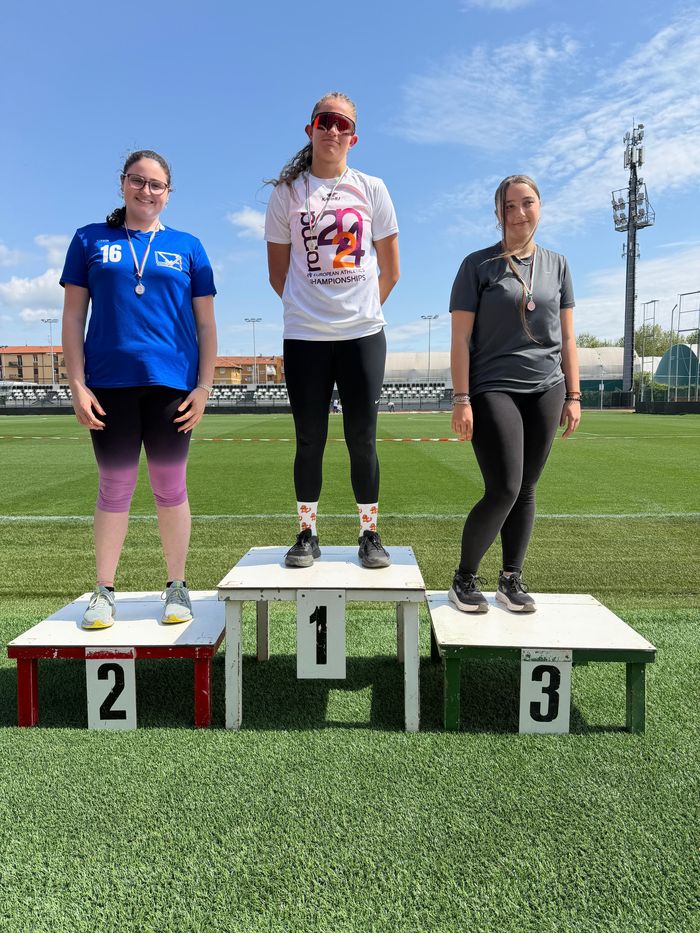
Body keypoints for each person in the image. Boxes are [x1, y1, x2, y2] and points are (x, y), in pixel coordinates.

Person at [60, 149, 217, 629]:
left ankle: (177, 586)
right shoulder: (89, 239)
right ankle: (104, 590)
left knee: (171, 487)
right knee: (114, 488)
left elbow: (206, 325)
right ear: (122, 183)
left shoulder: (189, 246)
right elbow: (73, 317)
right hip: (108, 384)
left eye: (156, 184)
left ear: (168, 193)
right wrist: (77, 383)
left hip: (173, 385)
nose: (146, 191)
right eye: (137, 180)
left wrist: (205, 386)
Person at [265, 92, 400, 569]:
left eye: (343, 124)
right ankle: (307, 533)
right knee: (309, 439)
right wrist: (314, 310)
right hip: (305, 337)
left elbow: (391, 270)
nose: (333, 130)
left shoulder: (372, 188)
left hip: (362, 335)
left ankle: (370, 533)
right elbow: (278, 274)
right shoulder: (287, 193)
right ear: (311, 129)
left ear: (353, 138)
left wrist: (356, 311)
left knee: (362, 438)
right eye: (325, 121)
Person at [449, 174, 581, 613]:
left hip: (547, 388)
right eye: (509, 205)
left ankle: (510, 579)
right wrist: (462, 399)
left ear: (539, 207)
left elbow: (568, 336)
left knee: (526, 489)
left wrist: (574, 394)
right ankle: (464, 578)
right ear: (498, 213)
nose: (519, 213)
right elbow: (460, 339)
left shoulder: (558, 265)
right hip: (494, 387)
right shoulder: (477, 266)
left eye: (527, 203)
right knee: (504, 487)